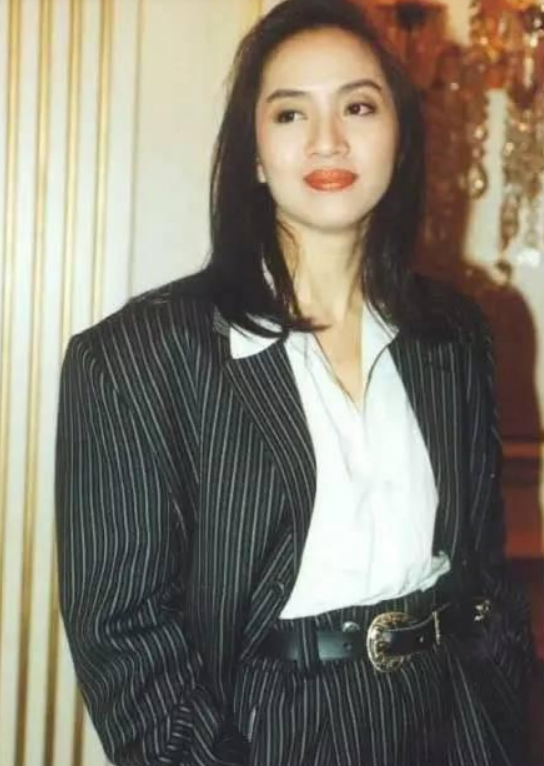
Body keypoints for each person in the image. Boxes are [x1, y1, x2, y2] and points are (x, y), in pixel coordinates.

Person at [55, 1, 533, 764]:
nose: (327, 139)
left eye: (358, 106)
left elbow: (486, 572)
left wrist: (505, 722)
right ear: (252, 153)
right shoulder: (138, 358)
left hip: (458, 721)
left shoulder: (456, 334)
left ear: (400, 137)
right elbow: (125, 640)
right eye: (289, 113)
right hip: (271, 734)